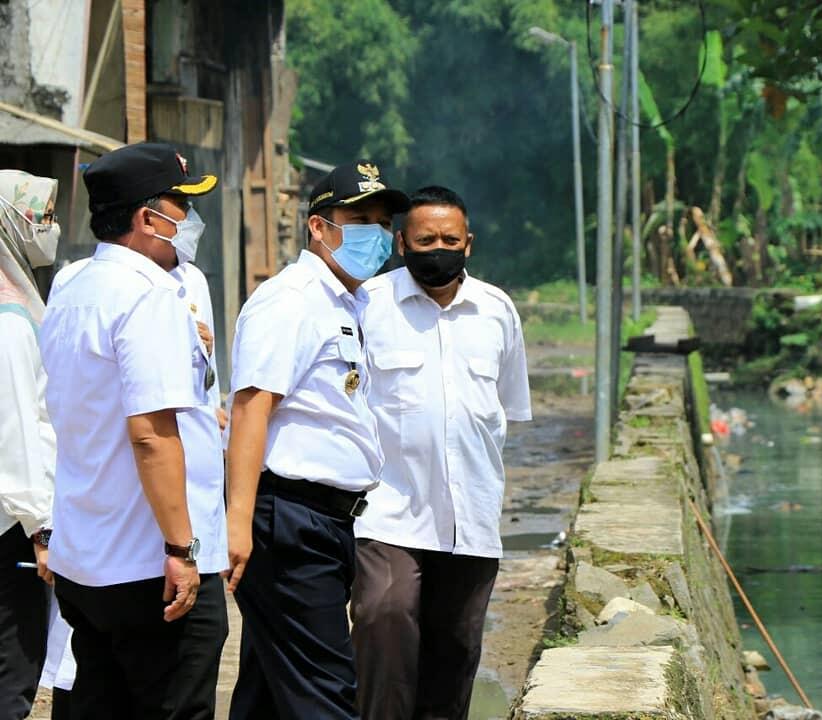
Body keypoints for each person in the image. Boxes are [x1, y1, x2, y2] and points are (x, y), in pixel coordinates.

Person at [38, 143, 228, 719]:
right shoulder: (146, 296)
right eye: (182, 205)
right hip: (149, 564)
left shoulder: (73, 288)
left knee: (101, 703)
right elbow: (150, 433)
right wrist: (181, 548)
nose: (191, 222)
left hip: (88, 558)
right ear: (148, 218)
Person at [225, 161, 408, 719]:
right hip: (290, 522)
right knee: (326, 693)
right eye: (358, 218)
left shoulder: (349, 302)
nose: (374, 233)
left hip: (325, 521)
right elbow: (253, 407)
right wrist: (237, 522)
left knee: (269, 691)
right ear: (319, 227)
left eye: (381, 220)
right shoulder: (293, 300)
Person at [352, 185, 532, 719]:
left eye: (449, 239)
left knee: (455, 650)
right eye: (425, 239)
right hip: (388, 508)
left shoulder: (496, 311)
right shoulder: (369, 305)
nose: (438, 248)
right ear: (402, 244)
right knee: (384, 615)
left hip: (471, 515)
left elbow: (504, 409)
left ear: (468, 243)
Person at [0, 169, 59, 720]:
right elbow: (18, 435)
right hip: (11, 529)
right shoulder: (12, 320)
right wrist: (41, 529)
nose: (50, 227)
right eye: (38, 216)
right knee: (14, 673)